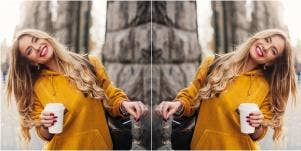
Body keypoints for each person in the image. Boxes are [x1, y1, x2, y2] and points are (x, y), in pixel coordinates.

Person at [6, 29, 148, 150]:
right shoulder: (36, 87)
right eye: (29, 50)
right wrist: (45, 124)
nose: (36, 47)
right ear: (31, 62)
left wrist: (124, 105)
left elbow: (111, 95)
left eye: (36, 39)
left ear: (45, 37)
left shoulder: (89, 63)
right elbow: (45, 135)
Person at [155, 29, 297, 150]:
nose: (266, 47)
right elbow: (191, 96)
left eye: (273, 50)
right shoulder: (213, 63)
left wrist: (257, 124)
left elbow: (257, 135)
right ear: (258, 37)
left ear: (271, 62)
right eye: (267, 40)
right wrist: (177, 104)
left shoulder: (266, 87)